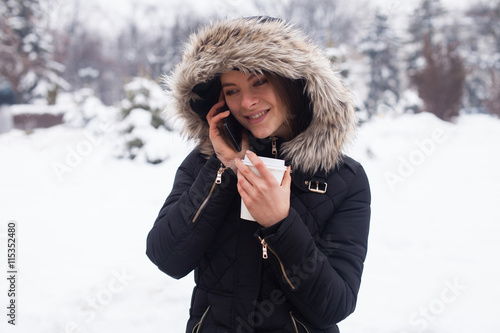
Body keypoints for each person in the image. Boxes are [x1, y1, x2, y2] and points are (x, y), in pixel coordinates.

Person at [146, 16, 371, 333]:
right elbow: (166, 257)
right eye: (232, 90)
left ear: (292, 81)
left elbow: (335, 304)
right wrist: (223, 168)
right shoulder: (204, 163)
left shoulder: (343, 179)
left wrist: (281, 224)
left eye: (259, 81)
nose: (247, 103)